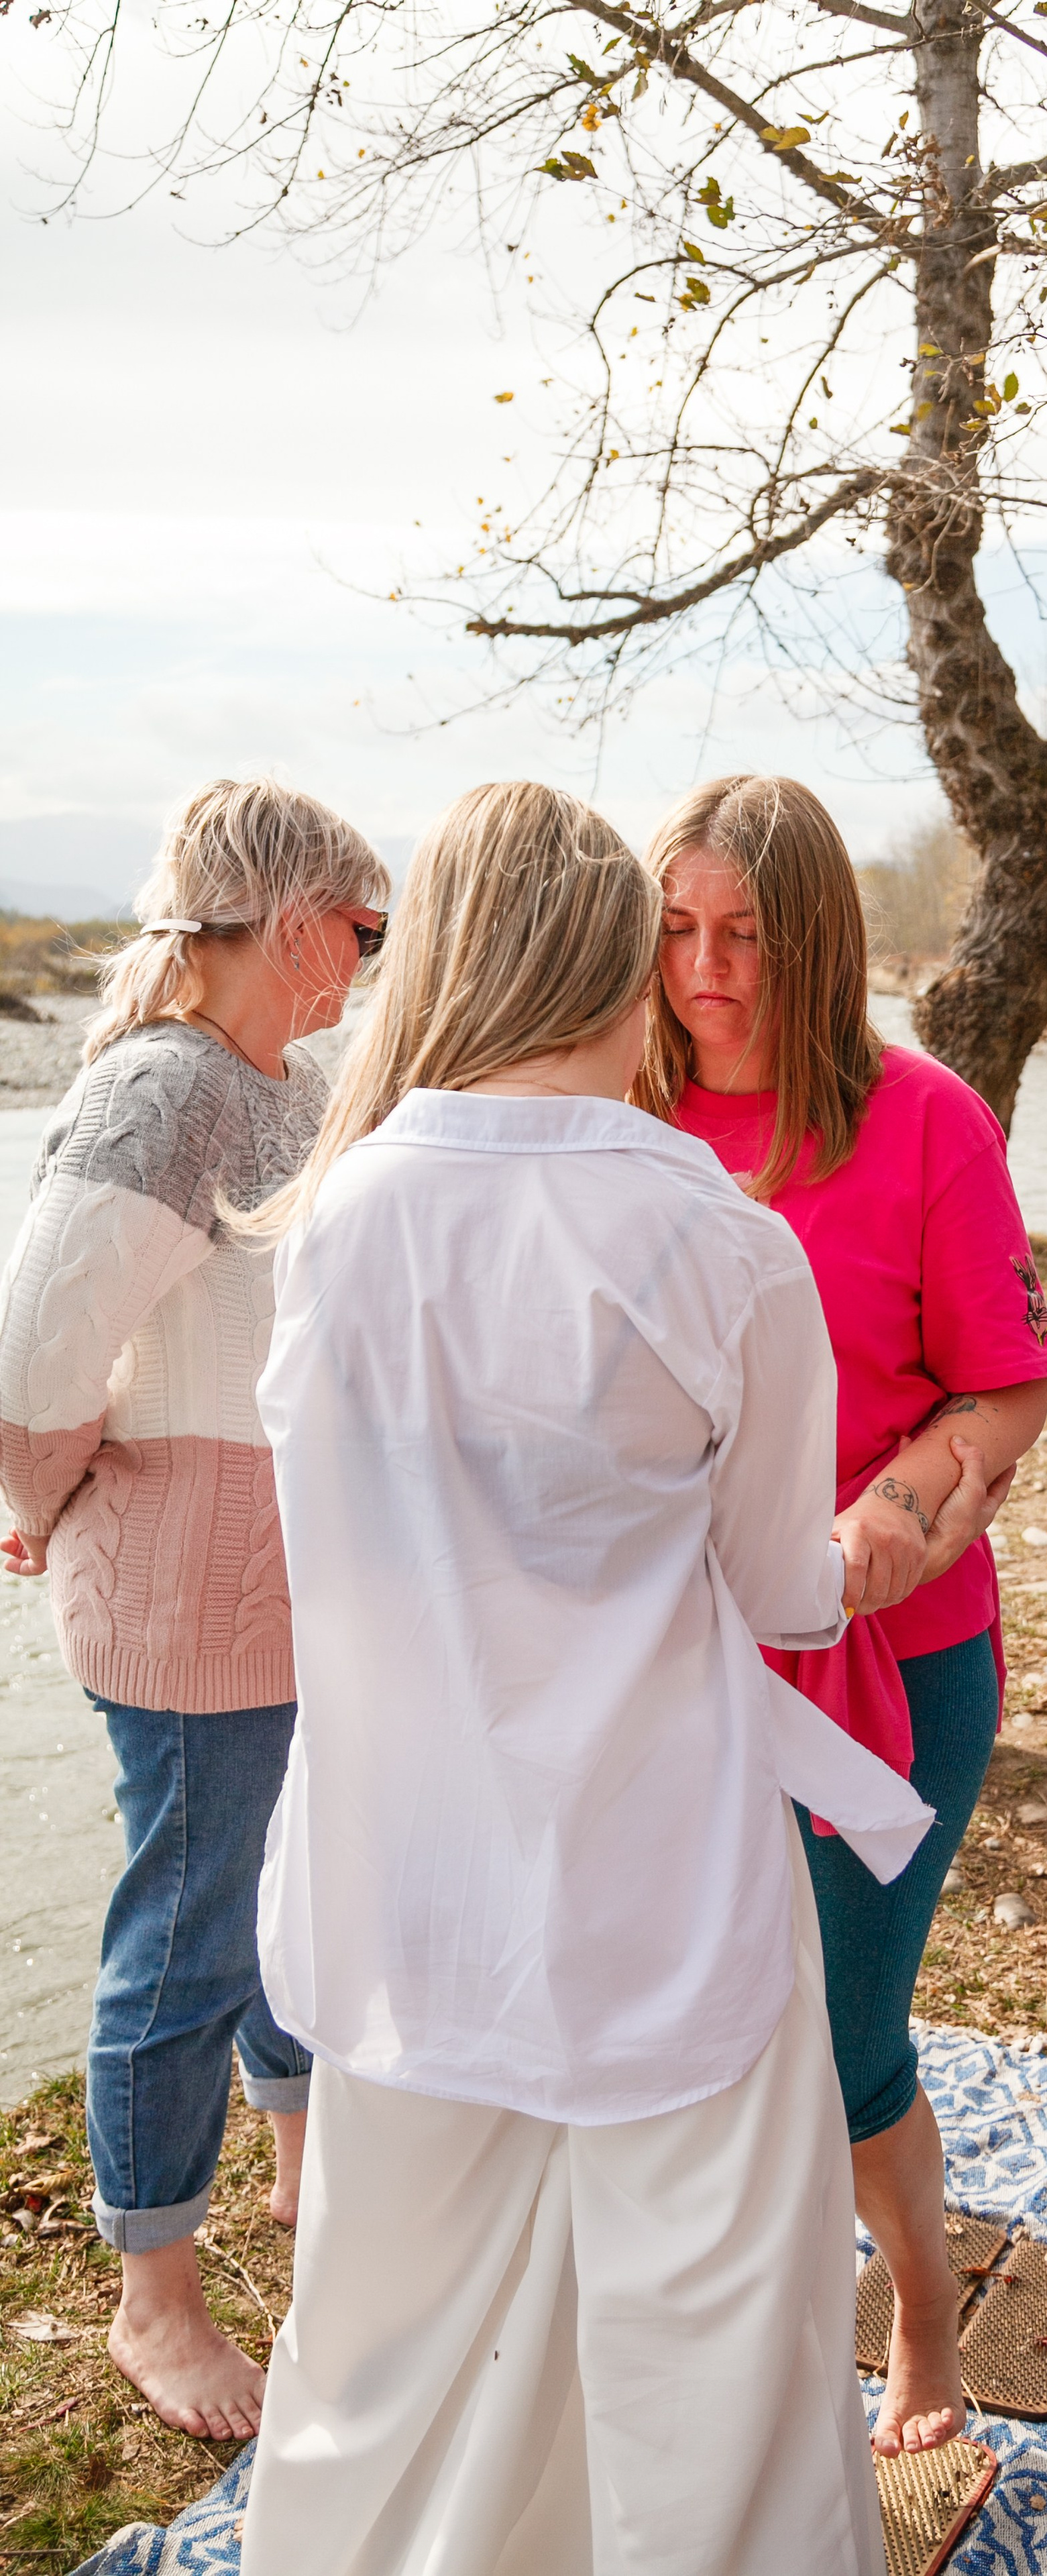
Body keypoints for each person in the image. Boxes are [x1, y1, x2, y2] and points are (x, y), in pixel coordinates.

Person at [239, 780, 937, 2576]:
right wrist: (877, 1551)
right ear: (625, 968)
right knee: (711, 2350)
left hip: (410, 1868)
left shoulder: (339, 1221)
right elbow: (780, 1593)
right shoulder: (722, 1241)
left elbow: (345, 1555)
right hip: (661, 1868)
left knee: (389, 2340)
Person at [637, 773, 1047, 2458]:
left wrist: (901, 1500)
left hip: (888, 1666)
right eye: (676, 930)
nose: (704, 971)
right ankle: (728, 2338)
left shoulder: (926, 1120)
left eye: (743, 934)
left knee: (839, 2031)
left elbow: (1007, 1389)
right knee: (684, 2022)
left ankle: (926, 2330)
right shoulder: (614, 1109)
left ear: (816, 939)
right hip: (665, 1664)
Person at [0, 778, 386, 2440]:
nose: (368, 963)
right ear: (293, 924)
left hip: (294, 1588)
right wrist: (38, 1502)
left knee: (294, 1893)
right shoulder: (160, 1091)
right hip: (183, 1588)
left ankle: (303, 2174)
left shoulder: (287, 1082)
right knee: (189, 1932)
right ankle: (152, 2300)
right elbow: (31, 1359)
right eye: (362, 933)